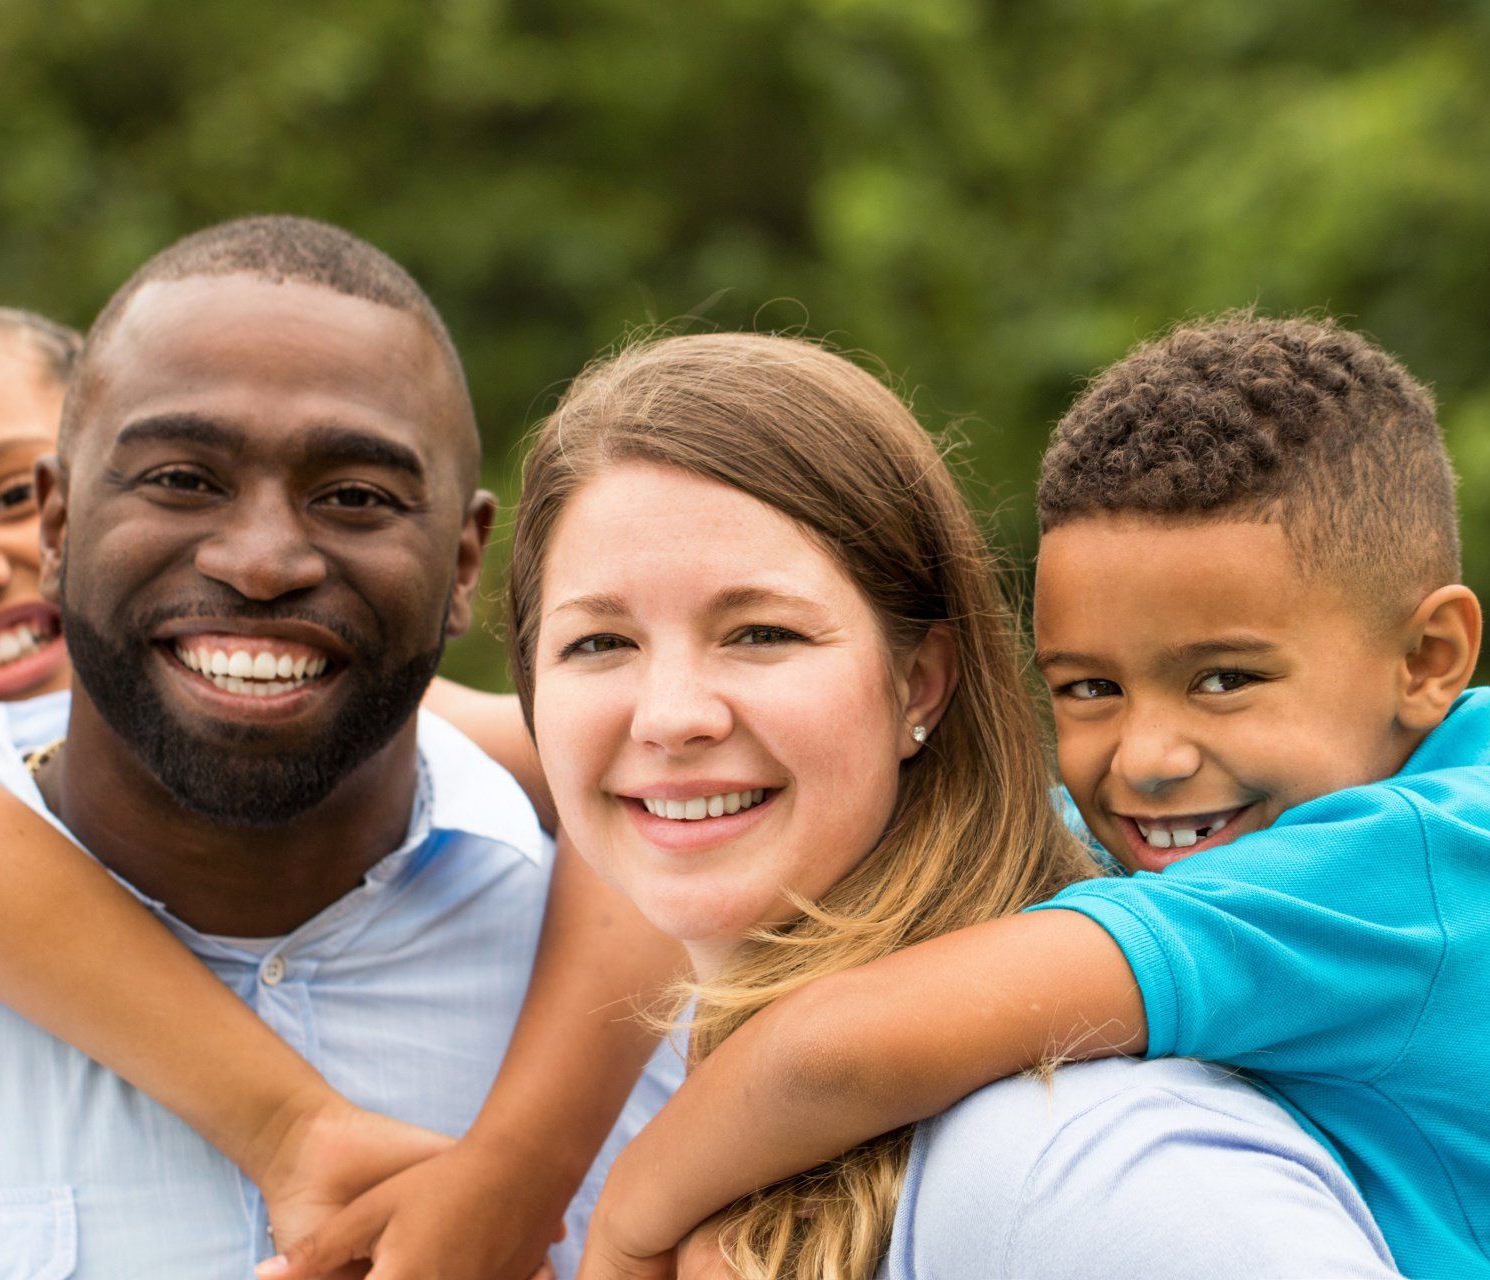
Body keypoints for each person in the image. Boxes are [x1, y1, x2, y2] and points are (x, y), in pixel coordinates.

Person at [578, 316, 1490, 1280]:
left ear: (1428, 656)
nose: (1146, 758)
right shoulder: (1332, 830)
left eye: (1222, 678)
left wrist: (631, 1227)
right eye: (1090, 687)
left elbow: (839, 1051)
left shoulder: (1395, 873)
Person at [0, 217, 678, 1278]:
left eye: (354, 495)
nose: (262, 563)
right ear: (62, 522)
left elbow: (644, 779)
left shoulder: (713, 978)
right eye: (181, 477)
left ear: (464, 563)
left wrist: (521, 1168)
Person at [375, 330, 1384, 1279]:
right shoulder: (699, 1104)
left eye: (761, 632)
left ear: (920, 683)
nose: (671, 716)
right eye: (599, 643)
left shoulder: (1076, 1156)